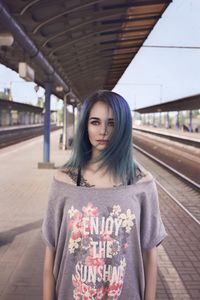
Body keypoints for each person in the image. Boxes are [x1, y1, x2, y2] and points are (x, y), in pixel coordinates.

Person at [42, 90, 167, 300]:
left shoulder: (142, 183)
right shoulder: (64, 181)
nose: (103, 131)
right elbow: (49, 260)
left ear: (124, 127)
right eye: (95, 122)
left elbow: (150, 257)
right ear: (86, 127)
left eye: (112, 123)